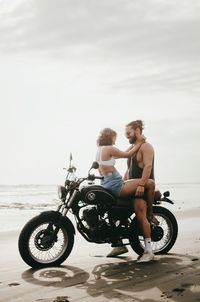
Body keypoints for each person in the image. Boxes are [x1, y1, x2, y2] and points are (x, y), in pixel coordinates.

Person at [96, 127, 156, 263]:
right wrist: (139, 143)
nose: (116, 140)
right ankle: (150, 214)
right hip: (116, 185)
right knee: (150, 183)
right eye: (115, 137)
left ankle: (119, 244)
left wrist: (134, 146)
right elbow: (127, 155)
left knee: (111, 209)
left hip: (107, 184)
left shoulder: (100, 150)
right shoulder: (109, 148)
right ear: (110, 137)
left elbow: (122, 155)